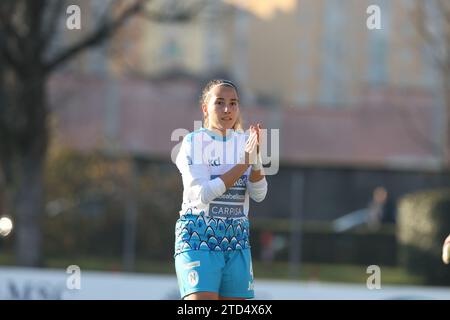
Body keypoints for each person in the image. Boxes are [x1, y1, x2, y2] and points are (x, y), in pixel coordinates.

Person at [174, 79, 268, 300]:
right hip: (199, 239)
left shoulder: (245, 142)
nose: (228, 109)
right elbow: (202, 195)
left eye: (233, 103)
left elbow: (259, 194)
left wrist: (255, 161)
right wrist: (244, 163)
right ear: (205, 108)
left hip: (237, 242)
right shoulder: (193, 142)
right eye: (220, 102)